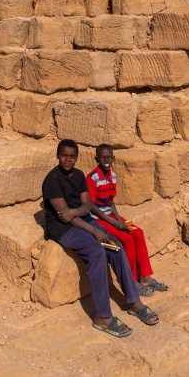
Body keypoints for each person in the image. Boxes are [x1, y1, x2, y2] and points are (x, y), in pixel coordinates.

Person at [42, 139, 159, 337]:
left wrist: (76, 211)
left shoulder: (79, 175)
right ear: (58, 156)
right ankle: (103, 316)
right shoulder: (52, 180)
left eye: (72, 156)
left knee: (115, 246)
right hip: (64, 229)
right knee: (97, 251)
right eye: (64, 155)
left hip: (82, 219)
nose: (68, 159)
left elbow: (87, 206)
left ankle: (133, 301)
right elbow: (64, 216)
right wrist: (94, 230)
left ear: (76, 158)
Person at [86, 144, 169, 295]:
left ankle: (145, 276)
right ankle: (132, 281)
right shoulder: (93, 178)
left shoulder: (113, 176)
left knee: (138, 233)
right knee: (127, 239)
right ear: (96, 159)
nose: (106, 160)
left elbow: (110, 201)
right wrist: (114, 223)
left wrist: (119, 219)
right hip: (98, 218)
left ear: (113, 159)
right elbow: (91, 206)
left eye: (109, 157)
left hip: (110, 216)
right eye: (103, 157)